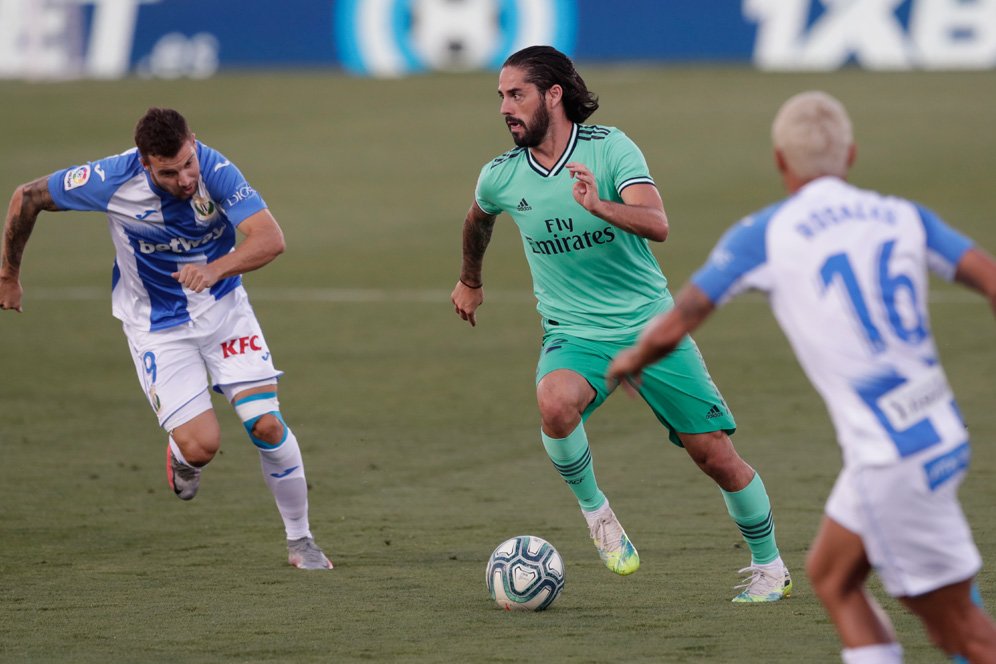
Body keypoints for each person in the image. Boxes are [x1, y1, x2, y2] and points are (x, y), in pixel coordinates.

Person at [608, 91, 996, 662]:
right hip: (936, 427)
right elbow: (988, 275)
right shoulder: (902, 215)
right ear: (852, 155)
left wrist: (626, 361)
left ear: (780, 162)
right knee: (832, 577)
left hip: (890, 455)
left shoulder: (765, 233)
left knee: (961, 631)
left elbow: (680, 318)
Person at [450, 45, 791, 602]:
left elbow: (657, 224)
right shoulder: (501, 176)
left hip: (650, 327)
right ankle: (598, 514)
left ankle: (770, 565)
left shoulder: (610, 149)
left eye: (517, 95)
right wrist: (470, 279)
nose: (505, 108)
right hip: (575, 332)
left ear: (553, 95)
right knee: (554, 403)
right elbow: (477, 221)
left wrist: (599, 206)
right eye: (501, 97)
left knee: (715, 456)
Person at [0, 107, 333, 570]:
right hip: (157, 329)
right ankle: (183, 456)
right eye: (168, 172)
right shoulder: (109, 179)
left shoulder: (215, 169)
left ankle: (301, 542)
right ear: (144, 162)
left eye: (187, 163)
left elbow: (269, 238)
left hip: (225, 315)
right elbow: (27, 196)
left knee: (267, 425)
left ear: (193, 143)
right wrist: (8, 274)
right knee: (202, 445)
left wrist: (214, 270)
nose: (184, 179)